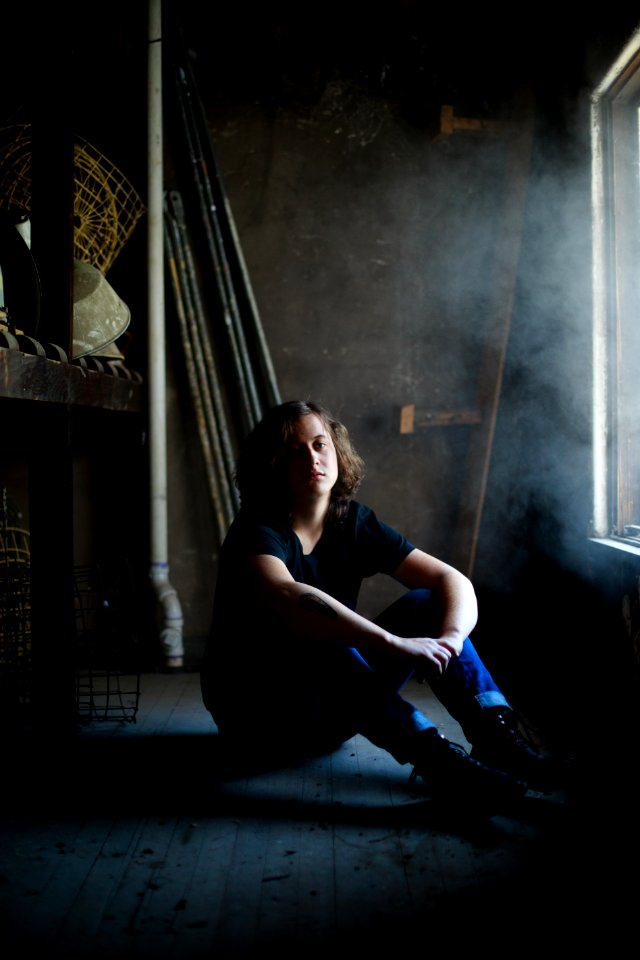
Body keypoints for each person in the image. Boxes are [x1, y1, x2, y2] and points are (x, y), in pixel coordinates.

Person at [200, 399, 555, 810]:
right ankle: (437, 758)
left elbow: (450, 580)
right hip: (258, 719)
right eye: (294, 451)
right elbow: (286, 595)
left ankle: (497, 741)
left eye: (319, 445)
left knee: (428, 603)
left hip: (334, 707)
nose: (311, 458)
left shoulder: (351, 522)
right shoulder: (256, 528)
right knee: (318, 634)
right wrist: (393, 643)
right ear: (272, 464)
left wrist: (452, 640)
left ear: (336, 451)